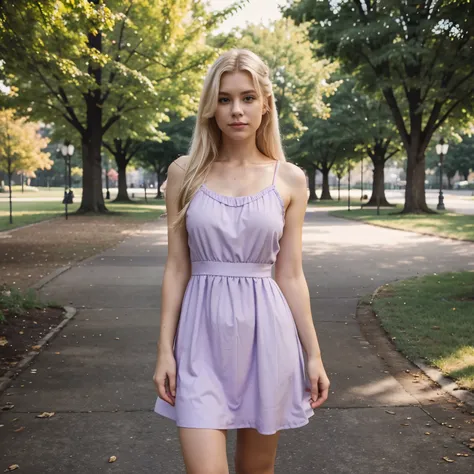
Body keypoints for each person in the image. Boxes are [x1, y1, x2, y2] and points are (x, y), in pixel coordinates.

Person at [153, 49, 330, 474]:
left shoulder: (289, 179)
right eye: (225, 98)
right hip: (200, 341)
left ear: (266, 104)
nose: (236, 110)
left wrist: (314, 354)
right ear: (210, 107)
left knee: (257, 470)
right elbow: (178, 267)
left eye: (248, 98)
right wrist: (164, 350)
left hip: (267, 337)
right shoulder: (184, 173)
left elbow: (290, 274)